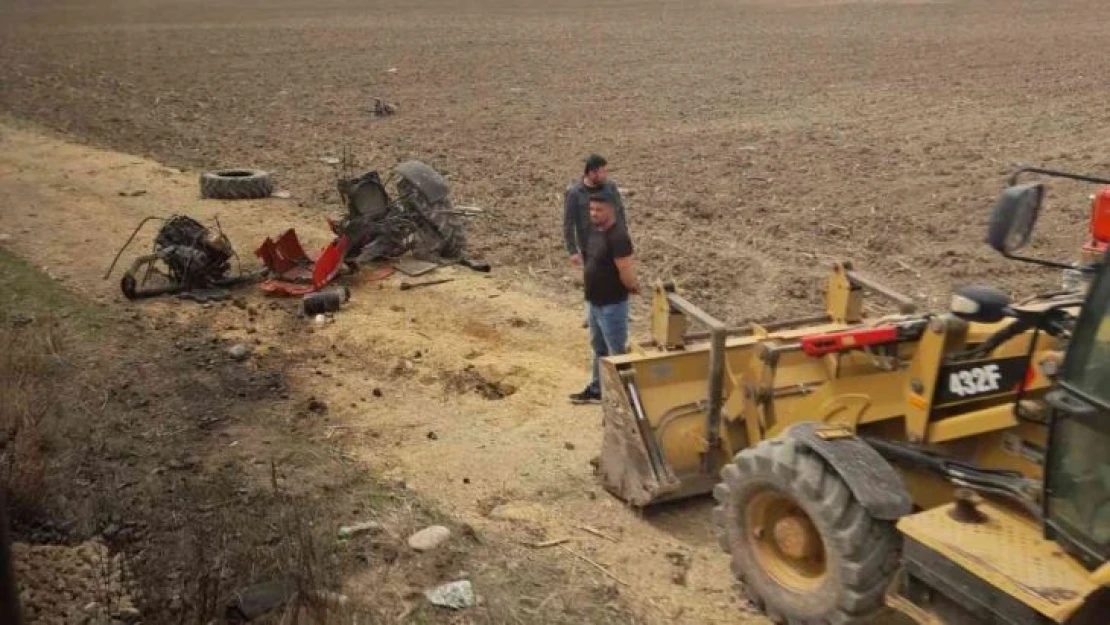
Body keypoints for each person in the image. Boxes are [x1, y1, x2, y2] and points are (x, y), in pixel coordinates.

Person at [570, 194, 640, 404]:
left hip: (612, 305)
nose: (593, 214)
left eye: (599, 210)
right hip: (594, 302)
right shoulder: (594, 231)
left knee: (616, 352)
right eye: (592, 209)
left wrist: (632, 286)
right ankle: (597, 389)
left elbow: (626, 270)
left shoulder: (619, 237)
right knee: (599, 349)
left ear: (612, 210)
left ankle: (624, 399)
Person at [563, 154, 627, 268]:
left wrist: (624, 236)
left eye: (605, 172)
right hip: (588, 247)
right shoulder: (575, 193)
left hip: (611, 243)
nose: (605, 175)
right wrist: (572, 251)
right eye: (602, 172)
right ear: (591, 173)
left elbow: (619, 211)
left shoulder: (610, 187)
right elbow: (568, 223)